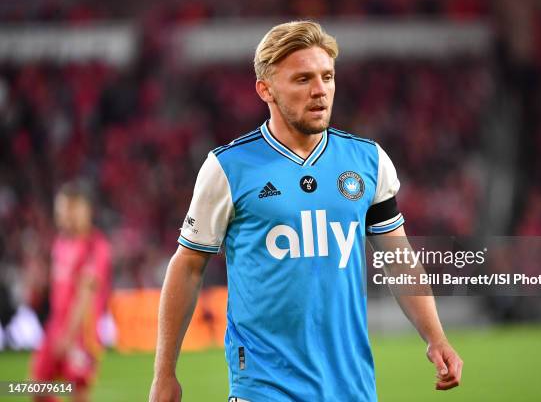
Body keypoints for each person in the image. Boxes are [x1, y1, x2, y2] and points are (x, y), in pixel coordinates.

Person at [149, 20, 462, 402]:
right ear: (265, 89)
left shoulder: (368, 161)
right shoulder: (229, 167)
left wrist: (436, 337)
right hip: (262, 389)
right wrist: (165, 372)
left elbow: (398, 259)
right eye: (302, 79)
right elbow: (187, 265)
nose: (320, 91)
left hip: (352, 388)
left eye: (327, 77)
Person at [31, 182, 111, 402]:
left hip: (80, 333)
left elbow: (85, 296)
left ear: (86, 210)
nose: (65, 216)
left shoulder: (95, 246)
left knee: (78, 392)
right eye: (62, 210)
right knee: (37, 387)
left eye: (71, 209)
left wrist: (68, 335)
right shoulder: (61, 242)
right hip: (55, 326)